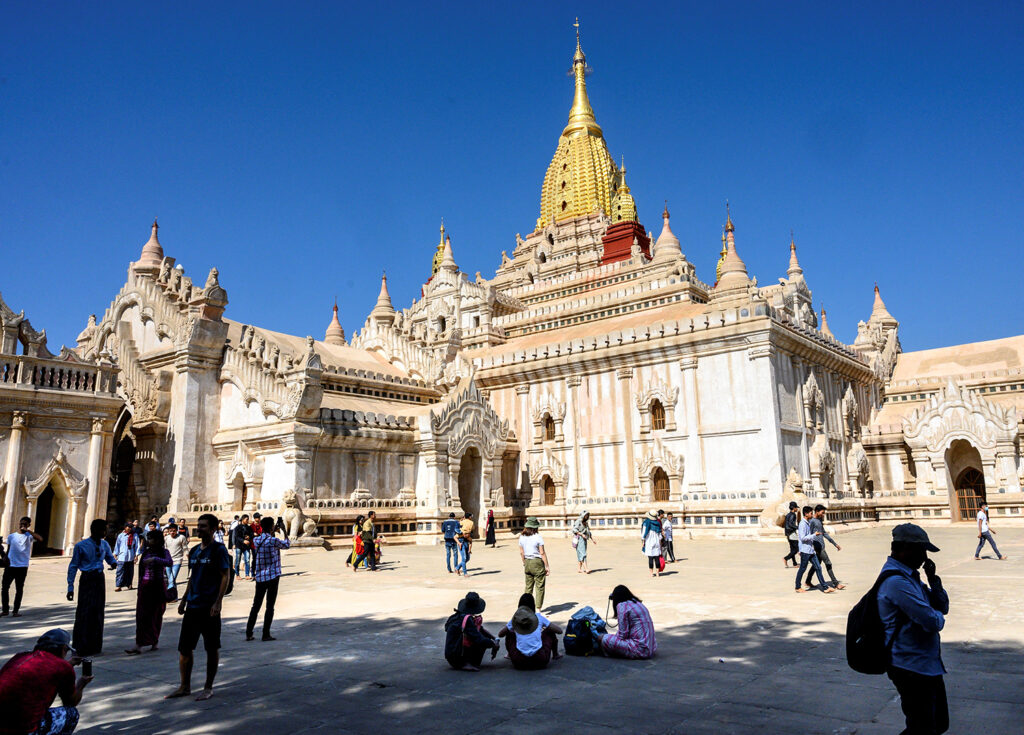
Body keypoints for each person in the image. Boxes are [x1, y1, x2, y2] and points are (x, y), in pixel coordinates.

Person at [877, 523, 950, 735]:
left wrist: (933, 579)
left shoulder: (911, 576)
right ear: (904, 549)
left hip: (926, 664)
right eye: (921, 550)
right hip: (910, 666)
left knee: (938, 724)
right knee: (922, 728)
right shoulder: (897, 582)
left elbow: (941, 607)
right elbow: (934, 622)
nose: (924, 557)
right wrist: (932, 613)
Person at [166, 513, 230, 701]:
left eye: (203, 526)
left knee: (211, 648)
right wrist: (184, 600)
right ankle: (184, 686)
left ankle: (208, 686)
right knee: (185, 648)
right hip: (193, 606)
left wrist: (218, 602)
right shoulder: (194, 551)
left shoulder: (218, 550)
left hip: (209, 607)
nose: (199, 529)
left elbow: (224, 576)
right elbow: (192, 578)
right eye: (199, 525)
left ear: (212, 529)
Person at [0, 628, 92, 735]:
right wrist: (81, 684)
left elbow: (44, 667)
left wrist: (68, 664)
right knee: (72, 714)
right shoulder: (62, 667)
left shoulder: (20, 656)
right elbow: (71, 702)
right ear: (63, 649)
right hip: (22, 728)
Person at [66, 519, 117, 656]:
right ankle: (81, 645)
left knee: (98, 611)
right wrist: (70, 586)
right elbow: (73, 566)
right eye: (104, 529)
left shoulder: (104, 544)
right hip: (87, 579)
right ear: (96, 530)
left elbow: (109, 558)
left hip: (99, 578)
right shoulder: (81, 546)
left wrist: (113, 563)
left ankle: (95, 645)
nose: (105, 532)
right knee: (84, 612)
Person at [125, 530, 173, 655]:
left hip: (157, 586)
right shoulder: (146, 552)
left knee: (156, 614)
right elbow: (141, 570)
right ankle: (139, 643)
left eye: (151, 539)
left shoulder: (163, 552)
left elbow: (169, 562)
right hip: (145, 586)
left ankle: (154, 641)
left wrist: (155, 559)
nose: (149, 541)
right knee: (141, 615)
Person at [246, 516, 290, 642]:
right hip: (272, 576)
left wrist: (272, 530)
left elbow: (264, 538)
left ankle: (249, 632)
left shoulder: (257, 540)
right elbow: (287, 545)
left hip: (260, 576)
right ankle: (266, 633)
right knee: (270, 606)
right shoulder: (273, 540)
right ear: (271, 527)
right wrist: (284, 531)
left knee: (256, 605)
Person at [498, 593, 563, 670]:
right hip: (540, 660)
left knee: (509, 632)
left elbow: (500, 634)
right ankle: (555, 654)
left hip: (518, 661)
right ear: (533, 605)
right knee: (549, 630)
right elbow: (559, 631)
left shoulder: (515, 619)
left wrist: (513, 628)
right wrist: (542, 631)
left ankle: (509, 654)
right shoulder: (538, 617)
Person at [443, 592, 499, 672]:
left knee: (483, 636)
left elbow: (480, 629)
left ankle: (466, 661)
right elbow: (479, 639)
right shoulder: (467, 620)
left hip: (451, 655)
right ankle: (465, 663)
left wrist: (494, 638)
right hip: (456, 658)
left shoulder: (458, 616)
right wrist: (493, 644)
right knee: (483, 641)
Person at [600, 585, 657, 659]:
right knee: (610, 637)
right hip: (651, 647)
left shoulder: (622, 606)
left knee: (602, 638)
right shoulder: (637, 603)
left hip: (640, 649)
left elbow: (622, 635)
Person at [2, 516, 42, 617]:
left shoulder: (29, 536)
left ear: (28, 525)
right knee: (5, 588)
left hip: (22, 566)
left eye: (25, 524)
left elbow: (40, 539)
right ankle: (5, 610)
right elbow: (9, 549)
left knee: (19, 589)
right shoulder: (12, 536)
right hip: (11, 565)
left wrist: (29, 531)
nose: (22, 525)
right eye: (21, 523)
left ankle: (15, 611)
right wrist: (5, 558)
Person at [803, 505, 846, 590]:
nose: (823, 515)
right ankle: (836, 583)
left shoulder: (819, 520)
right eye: (822, 513)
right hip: (818, 547)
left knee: (816, 565)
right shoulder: (812, 521)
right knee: (828, 563)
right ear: (817, 512)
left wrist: (834, 543)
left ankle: (808, 581)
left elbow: (824, 533)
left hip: (821, 545)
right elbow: (809, 535)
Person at [795, 505, 835, 594]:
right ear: (806, 514)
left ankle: (825, 588)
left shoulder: (808, 523)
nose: (812, 514)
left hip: (810, 550)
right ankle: (797, 587)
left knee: (818, 567)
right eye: (810, 513)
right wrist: (814, 535)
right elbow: (802, 538)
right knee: (802, 569)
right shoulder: (802, 524)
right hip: (805, 551)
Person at [519, 518, 550, 610]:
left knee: (528, 587)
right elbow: (542, 552)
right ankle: (538, 609)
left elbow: (521, 552)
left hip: (527, 561)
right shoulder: (538, 537)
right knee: (539, 586)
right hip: (537, 562)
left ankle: (525, 607)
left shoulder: (522, 537)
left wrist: (524, 562)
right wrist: (547, 566)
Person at [165, 523, 190, 599]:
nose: (172, 532)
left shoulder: (181, 537)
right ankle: (174, 596)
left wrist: (188, 555)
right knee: (170, 579)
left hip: (177, 560)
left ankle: (168, 596)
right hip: (168, 561)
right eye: (171, 531)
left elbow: (185, 548)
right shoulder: (166, 538)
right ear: (168, 531)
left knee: (172, 579)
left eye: (174, 531)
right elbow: (165, 549)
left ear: (177, 531)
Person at [112, 523, 138, 592]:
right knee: (120, 571)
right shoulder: (121, 535)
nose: (129, 528)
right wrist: (115, 553)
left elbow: (137, 546)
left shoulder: (135, 535)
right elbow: (117, 545)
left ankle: (129, 584)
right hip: (122, 556)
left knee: (129, 572)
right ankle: (119, 585)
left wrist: (136, 555)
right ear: (125, 527)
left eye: (130, 527)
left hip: (130, 556)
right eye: (128, 527)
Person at [640, 510, 662, 577]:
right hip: (656, 541)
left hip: (649, 541)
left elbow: (643, 534)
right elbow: (660, 535)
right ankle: (658, 573)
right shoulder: (657, 523)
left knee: (650, 558)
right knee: (657, 558)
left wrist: (643, 541)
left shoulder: (646, 523)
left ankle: (651, 573)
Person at [232, 513, 253, 580]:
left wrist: (249, 537)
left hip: (246, 546)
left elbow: (252, 534)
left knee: (247, 560)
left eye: (248, 519)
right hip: (239, 546)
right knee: (237, 561)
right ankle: (237, 575)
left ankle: (247, 575)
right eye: (246, 519)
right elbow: (237, 536)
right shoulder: (238, 527)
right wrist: (243, 540)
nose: (247, 520)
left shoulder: (249, 527)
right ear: (243, 519)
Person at [782, 501, 800, 567]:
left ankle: (794, 563)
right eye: (796, 508)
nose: (797, 509)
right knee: (796, 549)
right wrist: (798, 527)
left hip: (788, 533)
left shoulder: (788, 515)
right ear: (794, 508)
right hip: (792, 533)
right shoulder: (793, 515)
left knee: (792, 549)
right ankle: (786, 558)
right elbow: (790, 524)